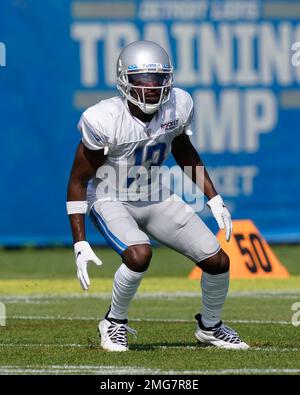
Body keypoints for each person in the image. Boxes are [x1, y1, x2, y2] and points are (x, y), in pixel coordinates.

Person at [66, 40, 249, 351]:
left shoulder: (179, 104)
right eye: (142, 80)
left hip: (154, 193)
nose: (151, 88)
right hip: (111, 197)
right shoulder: (104, 119)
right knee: (139, 255)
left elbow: (183, 150)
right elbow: (78, 180)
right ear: (124, 80)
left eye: (158, 79)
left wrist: (214, 198)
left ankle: (210, 327)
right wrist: (80, 241)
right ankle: (114, 323)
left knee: (217, 261)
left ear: (170, 78)